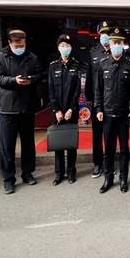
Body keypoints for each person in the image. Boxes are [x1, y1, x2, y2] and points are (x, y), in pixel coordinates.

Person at [0, 30, 42, 195]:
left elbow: (39, 75)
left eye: (22, 44)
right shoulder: (1, 57)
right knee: (7, 146)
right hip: (8, 108)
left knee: (28, 144)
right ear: (10, 43)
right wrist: (14, 81)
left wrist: (31, 80)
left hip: (27, 107)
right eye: (17, 45)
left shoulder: (32, 57)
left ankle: (28, 173)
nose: (20, 47)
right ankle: (8, 179)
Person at [95, 27, 130, 194]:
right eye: (114, 42)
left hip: (123, 115)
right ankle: (108, 178)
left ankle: (123, 179)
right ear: (110, 43)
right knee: (109, 149)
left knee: (124, 150)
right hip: (107, 114)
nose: (116, 45)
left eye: (119, 42)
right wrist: (98, 108)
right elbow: (98, 89)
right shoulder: (103, 64)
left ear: (123, 44)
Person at [48, 34, 80, 186]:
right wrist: (56, 110)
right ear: (58, 47)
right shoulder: (53, 66)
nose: (65, 48)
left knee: (71, 144)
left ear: (71, 48)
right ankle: (58, 174)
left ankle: (71, 172)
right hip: (57, 112)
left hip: (71, 110)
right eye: (62, 45)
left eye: (67, 45)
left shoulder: (76, 65)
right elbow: (50, 90)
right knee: (58, 143)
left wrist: (71, 109)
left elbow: (77, 90)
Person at [86, 20, 111, 179]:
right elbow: (89, 76)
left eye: (107, 33)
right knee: (97, 134)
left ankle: (109, 163)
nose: (105, 36)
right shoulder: (93, 53)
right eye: (103, 33)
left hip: (111, 100)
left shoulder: (116, 52)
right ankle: (97, 163)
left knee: (110, 134)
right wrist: (89, 98)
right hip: (97, 100)